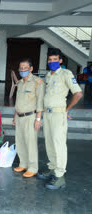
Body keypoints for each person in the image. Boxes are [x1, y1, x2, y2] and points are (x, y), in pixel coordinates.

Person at [38, 48, 83, 190]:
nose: (52, 62)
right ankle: (52, 168)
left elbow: (78, 93)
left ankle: (60, 176)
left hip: (58, 115)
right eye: (50, 60)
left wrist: (66, 110)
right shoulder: (48, 75)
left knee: (59, 145)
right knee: (49, 143)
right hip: (48, 114)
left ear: (61, 60)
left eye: (55, 59)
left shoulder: (66, 73)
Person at [12, 59, 45, 178]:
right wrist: (15, 117)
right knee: (20, 141)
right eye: (21, 68)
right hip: (20, 117)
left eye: (25, 67)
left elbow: (40, 101)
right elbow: (17, 102)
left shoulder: (38, 82)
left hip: (31, 116)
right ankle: (23, 163)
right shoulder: (20, 83)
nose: (22, 70)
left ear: (31, 69)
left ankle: (32, 167)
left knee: (31, 143)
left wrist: (38, 119)